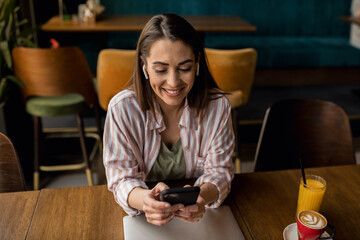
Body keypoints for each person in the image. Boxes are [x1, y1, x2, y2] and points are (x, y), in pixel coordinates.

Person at [103, 13, 234, 226]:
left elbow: (220, 172)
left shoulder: (218, 106)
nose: (173, 82)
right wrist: (145, 201)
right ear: (144, 65)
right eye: (161, 69)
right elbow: (121, 179)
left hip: (201, 220)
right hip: (143, 220)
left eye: (185, 68)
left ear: (198, 63)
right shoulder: (122, 109)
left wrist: (201, 198)